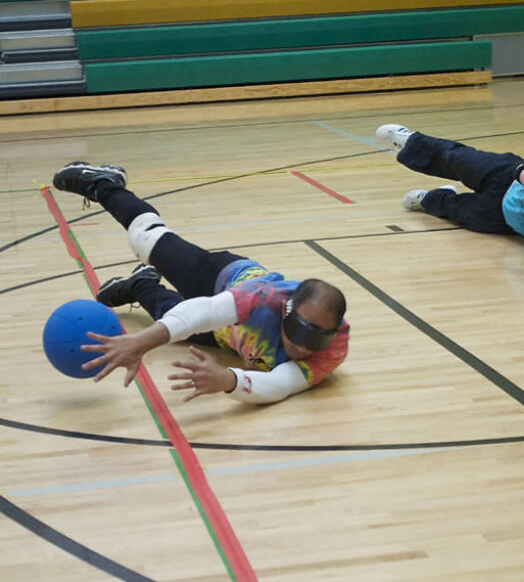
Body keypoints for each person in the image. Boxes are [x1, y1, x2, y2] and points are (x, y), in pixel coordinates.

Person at [51, 161, 350, 404]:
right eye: (297, 330)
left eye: (315, 339)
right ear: (285, 309)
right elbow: (206, 311)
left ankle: (140, 283)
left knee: (167, 315)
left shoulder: (332, 350)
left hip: (228, 339)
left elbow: (280, 384)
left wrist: (228, 380)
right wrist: (141, 343)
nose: (301, 345)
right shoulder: (263, 296)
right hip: (222, 279)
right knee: (146, 239)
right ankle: (103, 184)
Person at [375, 124, 524, 266]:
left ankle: (430, 199)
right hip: (504, 174)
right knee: (460, 159)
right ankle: (410, 141)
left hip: (500, 217)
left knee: (458, 210)